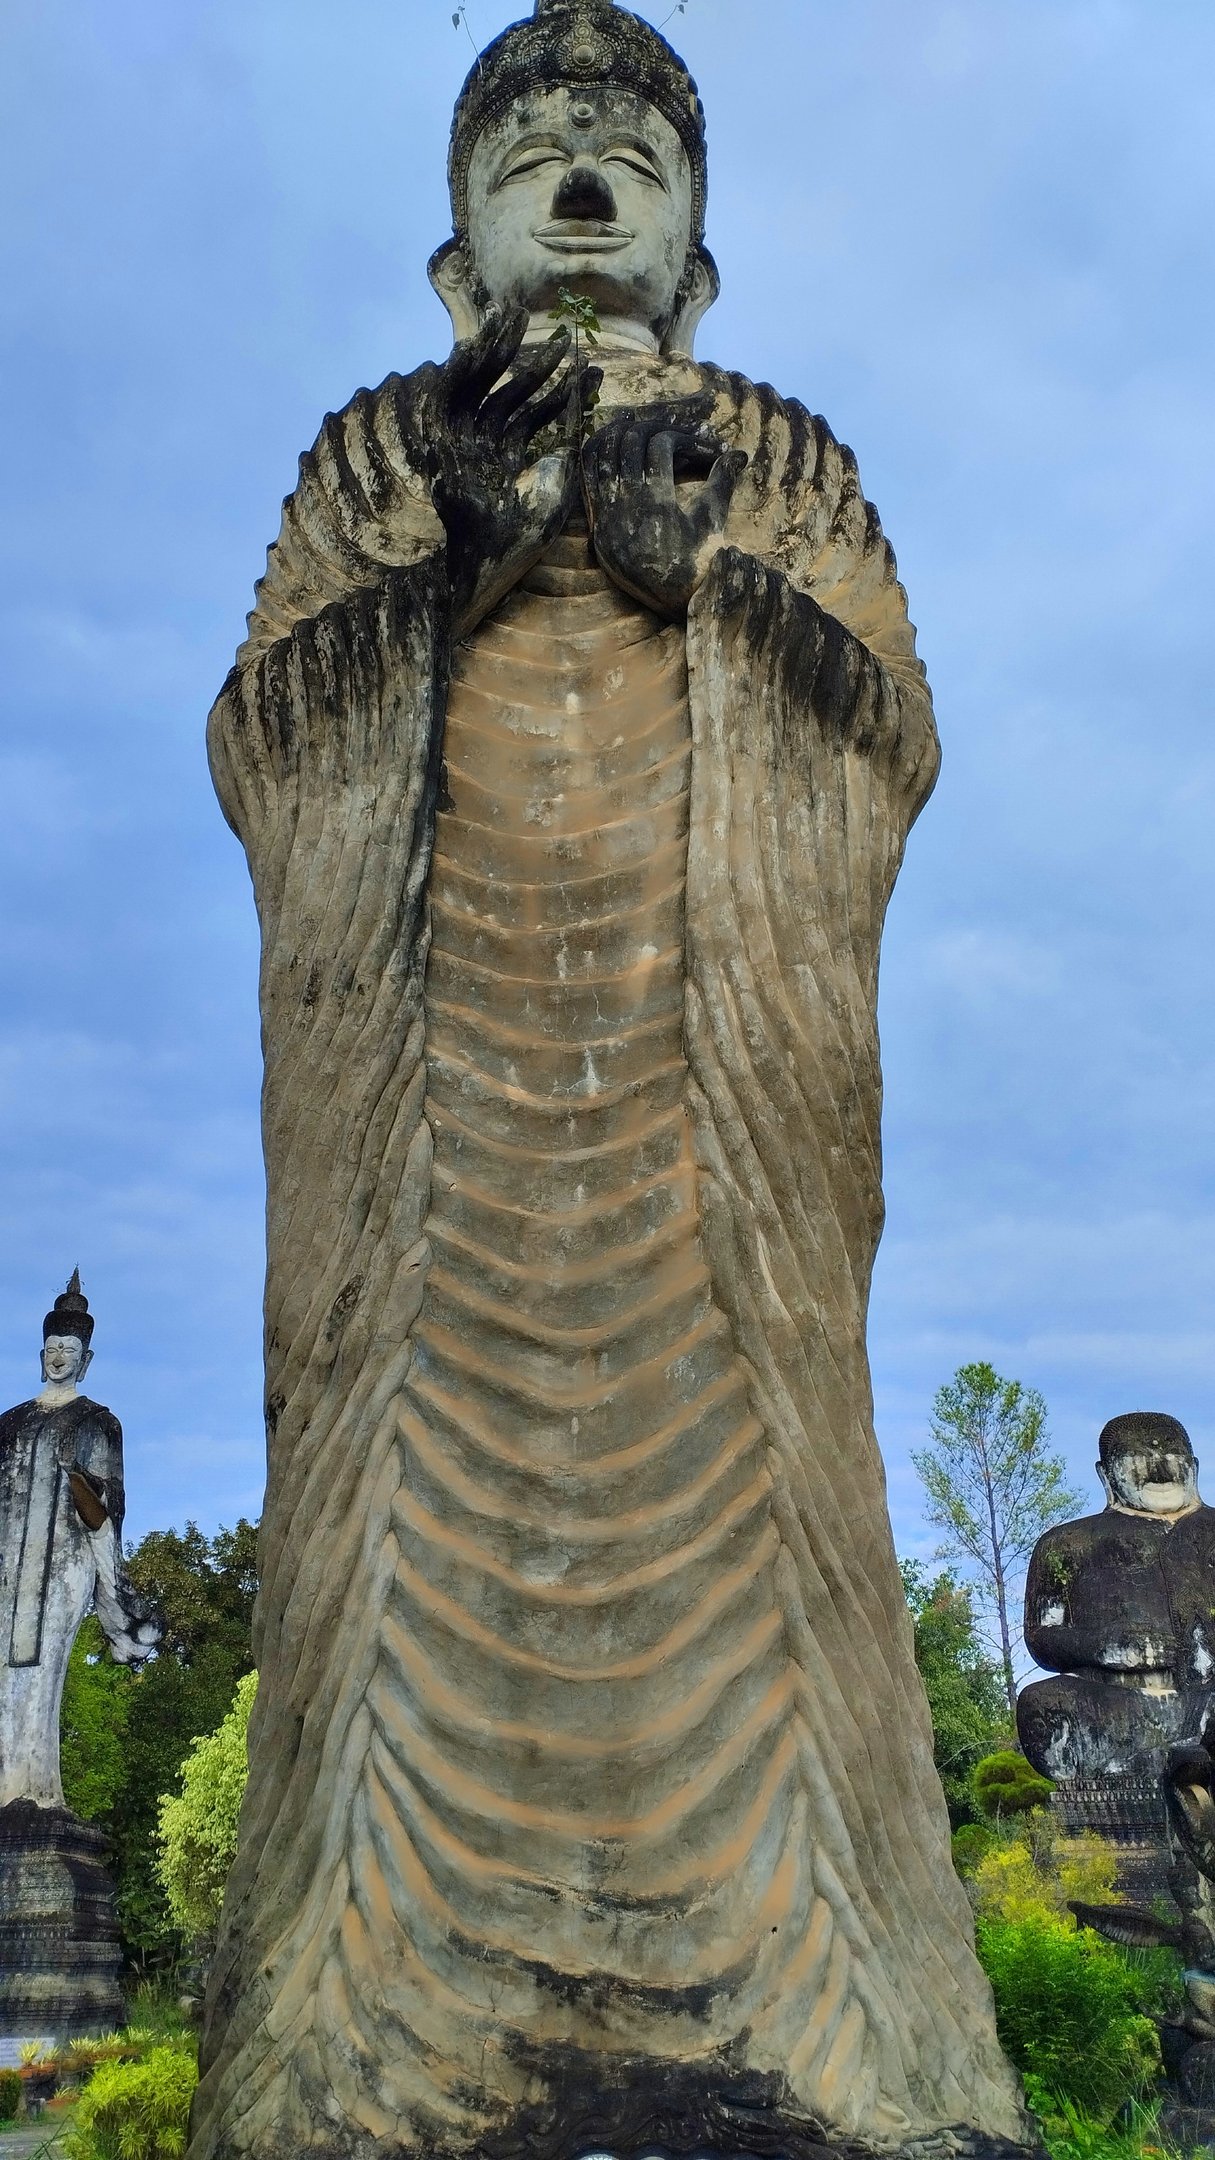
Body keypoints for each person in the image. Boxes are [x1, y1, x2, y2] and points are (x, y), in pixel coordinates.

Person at [194, 4, 1027, 2155]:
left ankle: (833, 2057)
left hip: (701, 1127)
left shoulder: (779, 452)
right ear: (456, 259)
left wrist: (698, 582)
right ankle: (356, 2065)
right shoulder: (379, 451)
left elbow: (886, 744)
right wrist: (454, 559)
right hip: (436, 1138)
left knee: (764, 1512)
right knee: (386, 1536)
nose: (583, 178)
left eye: (630, 152)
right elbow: (266, 743)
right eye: (533, 149)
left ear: (701, 251)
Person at [0, 1274, 158, 1810]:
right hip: (9, 1562)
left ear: (85, 1359)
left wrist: (78, 1479)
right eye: (52, 1349)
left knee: (43, 1671)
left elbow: (102, 1513)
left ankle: (40, 1794)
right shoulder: (9, 1426)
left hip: (65, 1563)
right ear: (40, 1353)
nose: (59, 1357)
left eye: (70, 1350)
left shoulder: (97, 1422)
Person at [1019, 1411, 1215, 1779]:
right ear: (1106, 1473)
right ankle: (1171, 1761)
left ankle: (1183, 1761)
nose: (1158, 1465)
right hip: (1127, 1703)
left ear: (1194, 1466)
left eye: (1172, 1453)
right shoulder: (1068, 1543)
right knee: (1043, 1704)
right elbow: (1041, 1636)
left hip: (1209, 1698)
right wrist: (1103, 1647)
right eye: (1138, 1454)